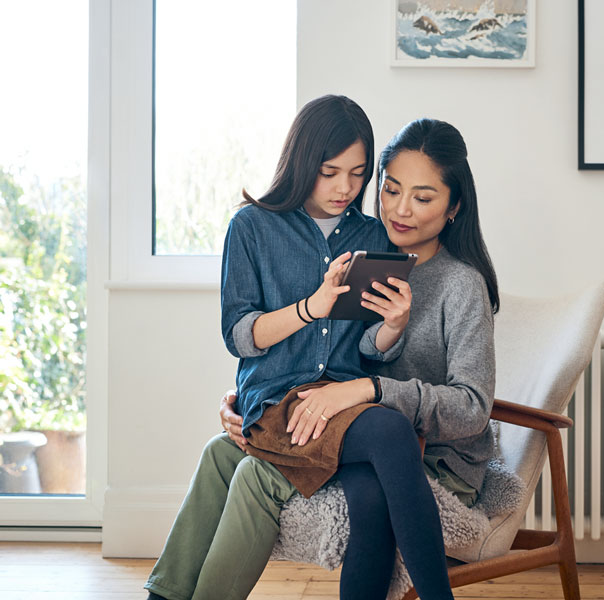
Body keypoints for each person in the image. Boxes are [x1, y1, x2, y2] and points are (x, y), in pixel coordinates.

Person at [144, 97, 454, 600]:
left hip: (337, 407)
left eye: (356, 174)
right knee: (390, 431)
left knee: (369, 491)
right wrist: (312, 306)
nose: (343, 188)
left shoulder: (371, 234)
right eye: (329, 171)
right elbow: (240, 335)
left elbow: (369, 349)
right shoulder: (252, 228)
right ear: (302, 161)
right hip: (277, 404)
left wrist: (394, 325)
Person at [221, 117, 500, 598]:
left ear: (454, 206)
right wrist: (247, 397)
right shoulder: (360, 256)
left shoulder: (461, 285)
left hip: (433, 455)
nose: (401, 210)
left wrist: (369, 390)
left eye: (424, 197)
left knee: (373, 486)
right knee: (369, 493)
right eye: (390, 190)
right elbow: (314, 352)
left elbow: (473, 409)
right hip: (355, 438)